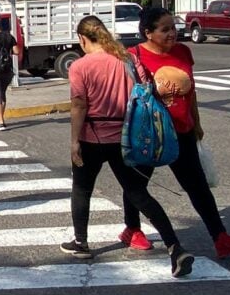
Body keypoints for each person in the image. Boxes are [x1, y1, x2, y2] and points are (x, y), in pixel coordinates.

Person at [61, 15, 194, 277]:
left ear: (82, 39)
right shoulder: (128, 60)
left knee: (82, 188)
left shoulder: (80, 66)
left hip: (92, 136)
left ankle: (81, 243)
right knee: (138, 193)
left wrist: (74, 141)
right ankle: (175, 247)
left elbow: (79, 105)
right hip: (126, 136)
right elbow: (146, 90)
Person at [128, 6, 230, 259]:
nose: (172, 33)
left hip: (181, 130)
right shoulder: (134, 57)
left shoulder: (183, 52)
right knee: (136, 184)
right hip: (150, 132)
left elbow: (191, 91)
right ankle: (132, 229)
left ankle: (221, 238)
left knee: (197, 186)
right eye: (165, 29)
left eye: (173, 27)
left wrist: (196, 122)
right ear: (148, 33)